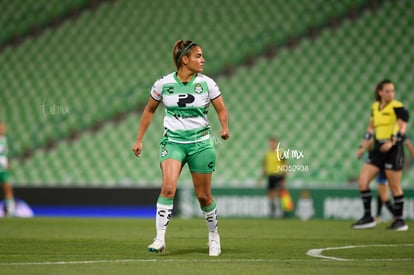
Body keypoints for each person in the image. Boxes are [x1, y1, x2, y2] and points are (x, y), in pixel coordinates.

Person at [131, 40, 229, 256]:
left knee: (203, 196)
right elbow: (149, 110)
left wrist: (224, 127)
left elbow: (221, 109)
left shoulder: (207, 84)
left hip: (201, 144)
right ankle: (159, 239)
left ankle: (213, 237)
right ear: (185, 59)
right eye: (198, 56)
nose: (203, 60)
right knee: (168, 188)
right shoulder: (163, 84)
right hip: (173, 142)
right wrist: (139, 139)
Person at [353, 80, 409, 231]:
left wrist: (392, 141)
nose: (391, 94)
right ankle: (368, 217)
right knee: (363, 181)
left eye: (393, 91)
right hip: (378, 149)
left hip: (393, 150)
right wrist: (363, 146)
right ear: (380, 92)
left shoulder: (397, 106)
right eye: (388, 91)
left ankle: (400, 220)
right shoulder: (375, 108)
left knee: (394, 186)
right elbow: (371, 129)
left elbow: (403, 126)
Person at [260, 137, 288, 218]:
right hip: (270, 176)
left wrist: (284, 178)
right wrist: (261, 178)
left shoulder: (280, 153)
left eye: (273, 143)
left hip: (279, 175)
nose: (271, 144)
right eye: (270, 143)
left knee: (280, 193)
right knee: (271, 194)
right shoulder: (267, 154)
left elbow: (285, 165)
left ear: (276, 143)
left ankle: (284, 211)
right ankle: (272, 211)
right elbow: (264, 166)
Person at [0, 121, 16, 217]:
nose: (2, 129)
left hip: (3, 169)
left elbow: (4, 154)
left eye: (3, 127)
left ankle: (11, 211)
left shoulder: (4, 139)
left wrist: (7, 163)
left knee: (8, 188)